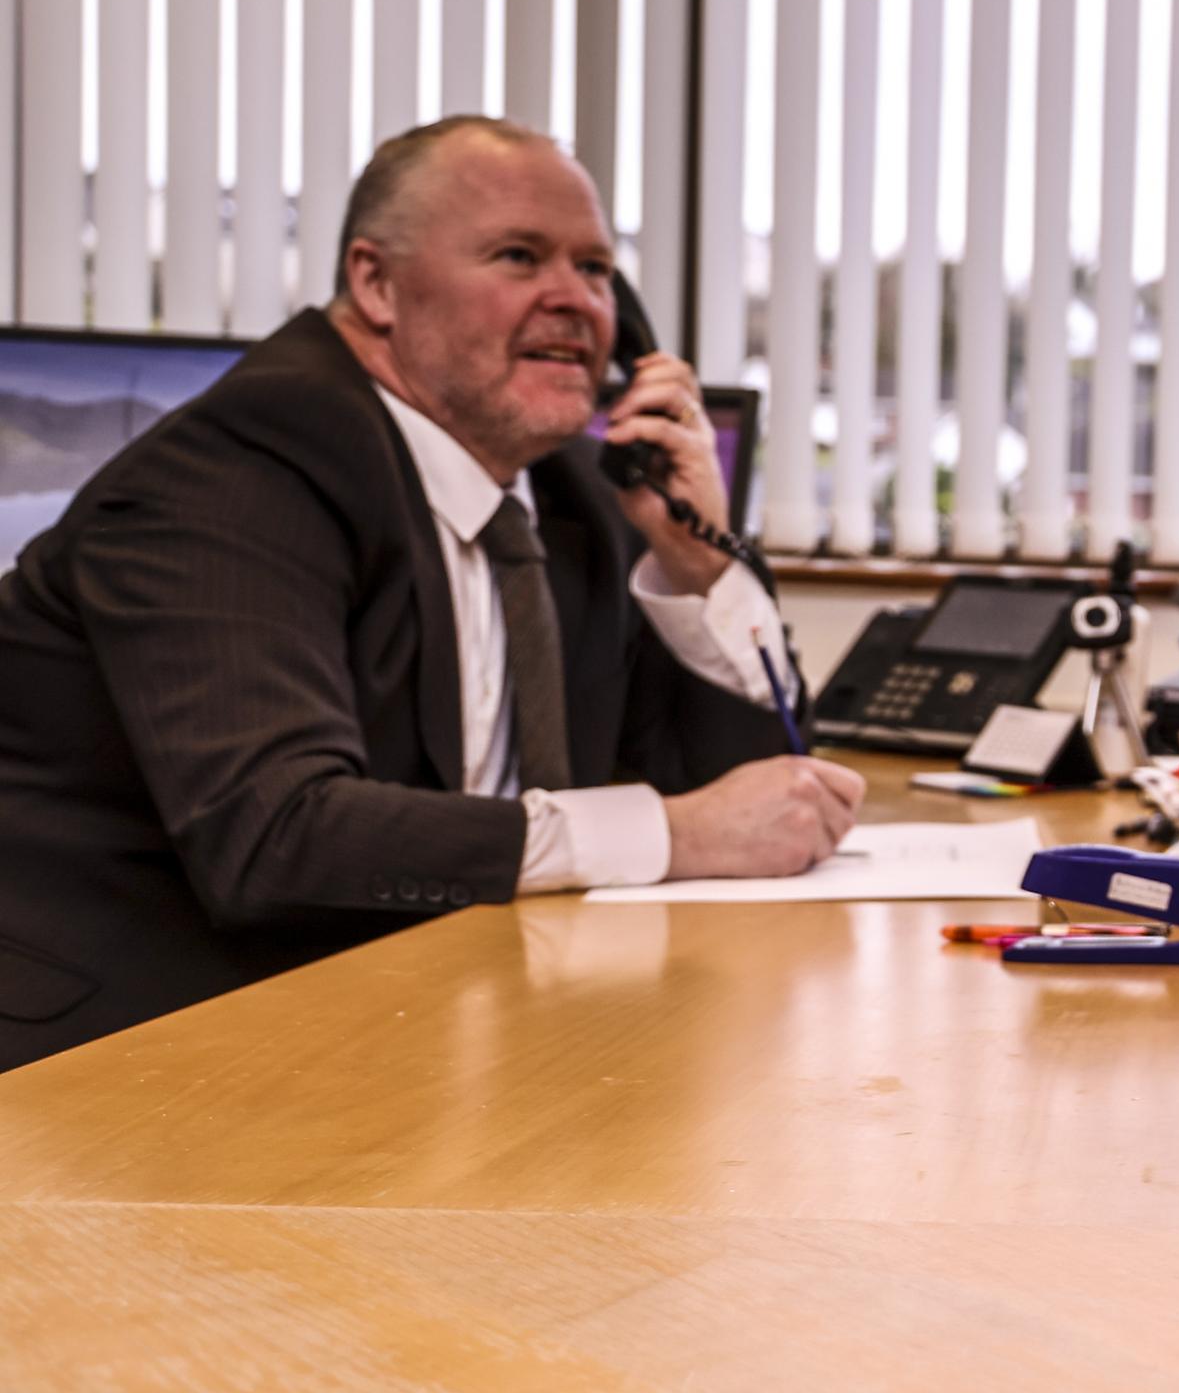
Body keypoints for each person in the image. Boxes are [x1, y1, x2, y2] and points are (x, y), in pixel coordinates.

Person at [0, 115, 864, 1071]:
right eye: (519, 256)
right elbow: (278, 835)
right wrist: (671, 829)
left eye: (596, 269)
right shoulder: (240, 472)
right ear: (375, 284)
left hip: (423, 1018)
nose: (574, 301)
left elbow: (760, 807)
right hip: (128, 1045)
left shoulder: (577, 498)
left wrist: (698, 565)